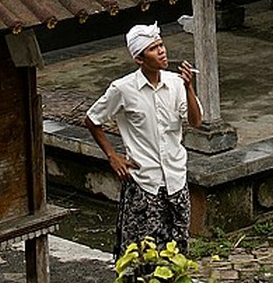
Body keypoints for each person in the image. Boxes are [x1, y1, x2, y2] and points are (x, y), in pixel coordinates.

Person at [84, 23, 203, 256]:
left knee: (177, 253)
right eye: (153, 48)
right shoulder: (123, 89)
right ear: (139, 58)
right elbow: (92, 119)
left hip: (176, 181)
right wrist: (112, 156)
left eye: (161, 45)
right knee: (140, 254)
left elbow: (196, 121)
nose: (162, 51)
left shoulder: (177, 84)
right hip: (144, 183)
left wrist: (189, 88)